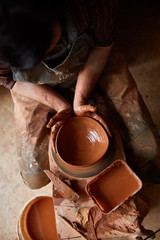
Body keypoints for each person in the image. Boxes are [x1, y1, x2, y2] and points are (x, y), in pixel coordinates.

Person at [0, 0, 160, 189]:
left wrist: (80, 100)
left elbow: (102, 45)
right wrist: (61, 105)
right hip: (33, 86)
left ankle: (135, 164)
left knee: (147, 146)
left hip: (93, 58)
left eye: (49, 49)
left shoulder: (92, 4)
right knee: (35, 176)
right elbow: (10, 80)